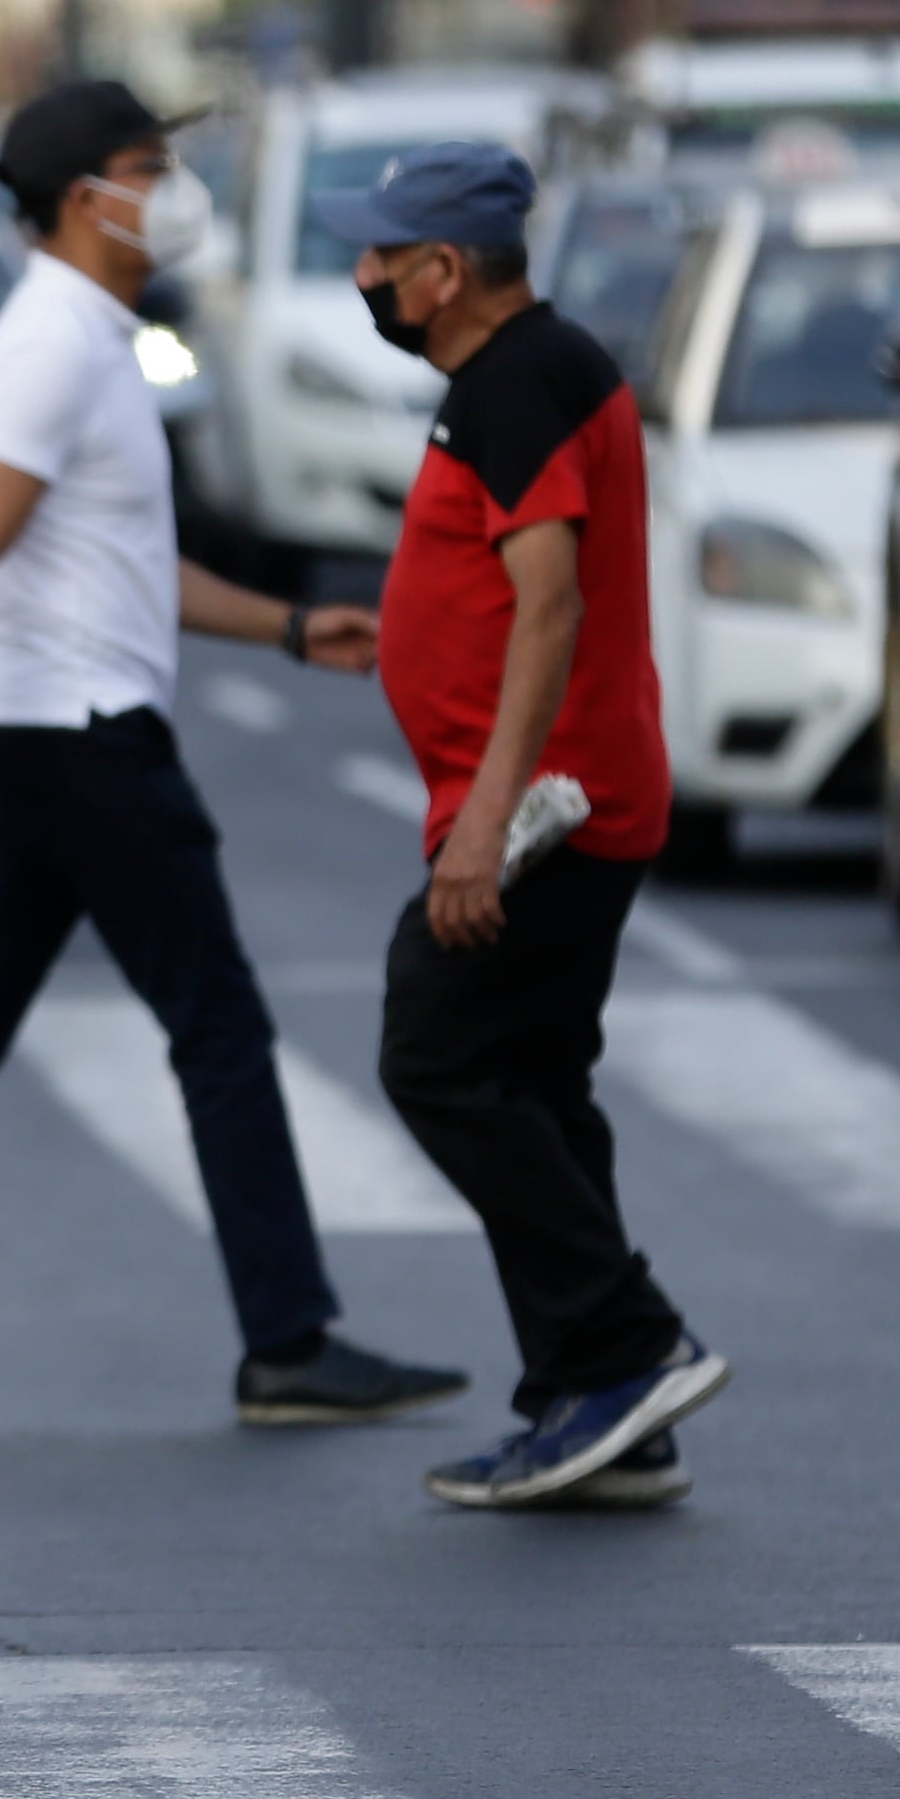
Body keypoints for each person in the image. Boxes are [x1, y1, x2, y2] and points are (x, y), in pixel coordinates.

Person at [0, 82, 466, 1429]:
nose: (171, 188)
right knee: (217, 1023)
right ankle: (290, 1338)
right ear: (85, 197)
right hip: (82, 744)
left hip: (61, 736)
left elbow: (119, 566)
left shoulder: (94, 333)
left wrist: (277, 625)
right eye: (150, 166)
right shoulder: (49, 342)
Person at [346, 141, 724, 1513]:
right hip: (574, 792)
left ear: (445, 272)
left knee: (436, 1052)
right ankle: (602, 1403)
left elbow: (551, 604)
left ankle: (626, 1345)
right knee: (538, 1084)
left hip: (551, 809)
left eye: (383, 256)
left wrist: (482, 819)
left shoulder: (516, 382)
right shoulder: (535, 367)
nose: (363, 276)